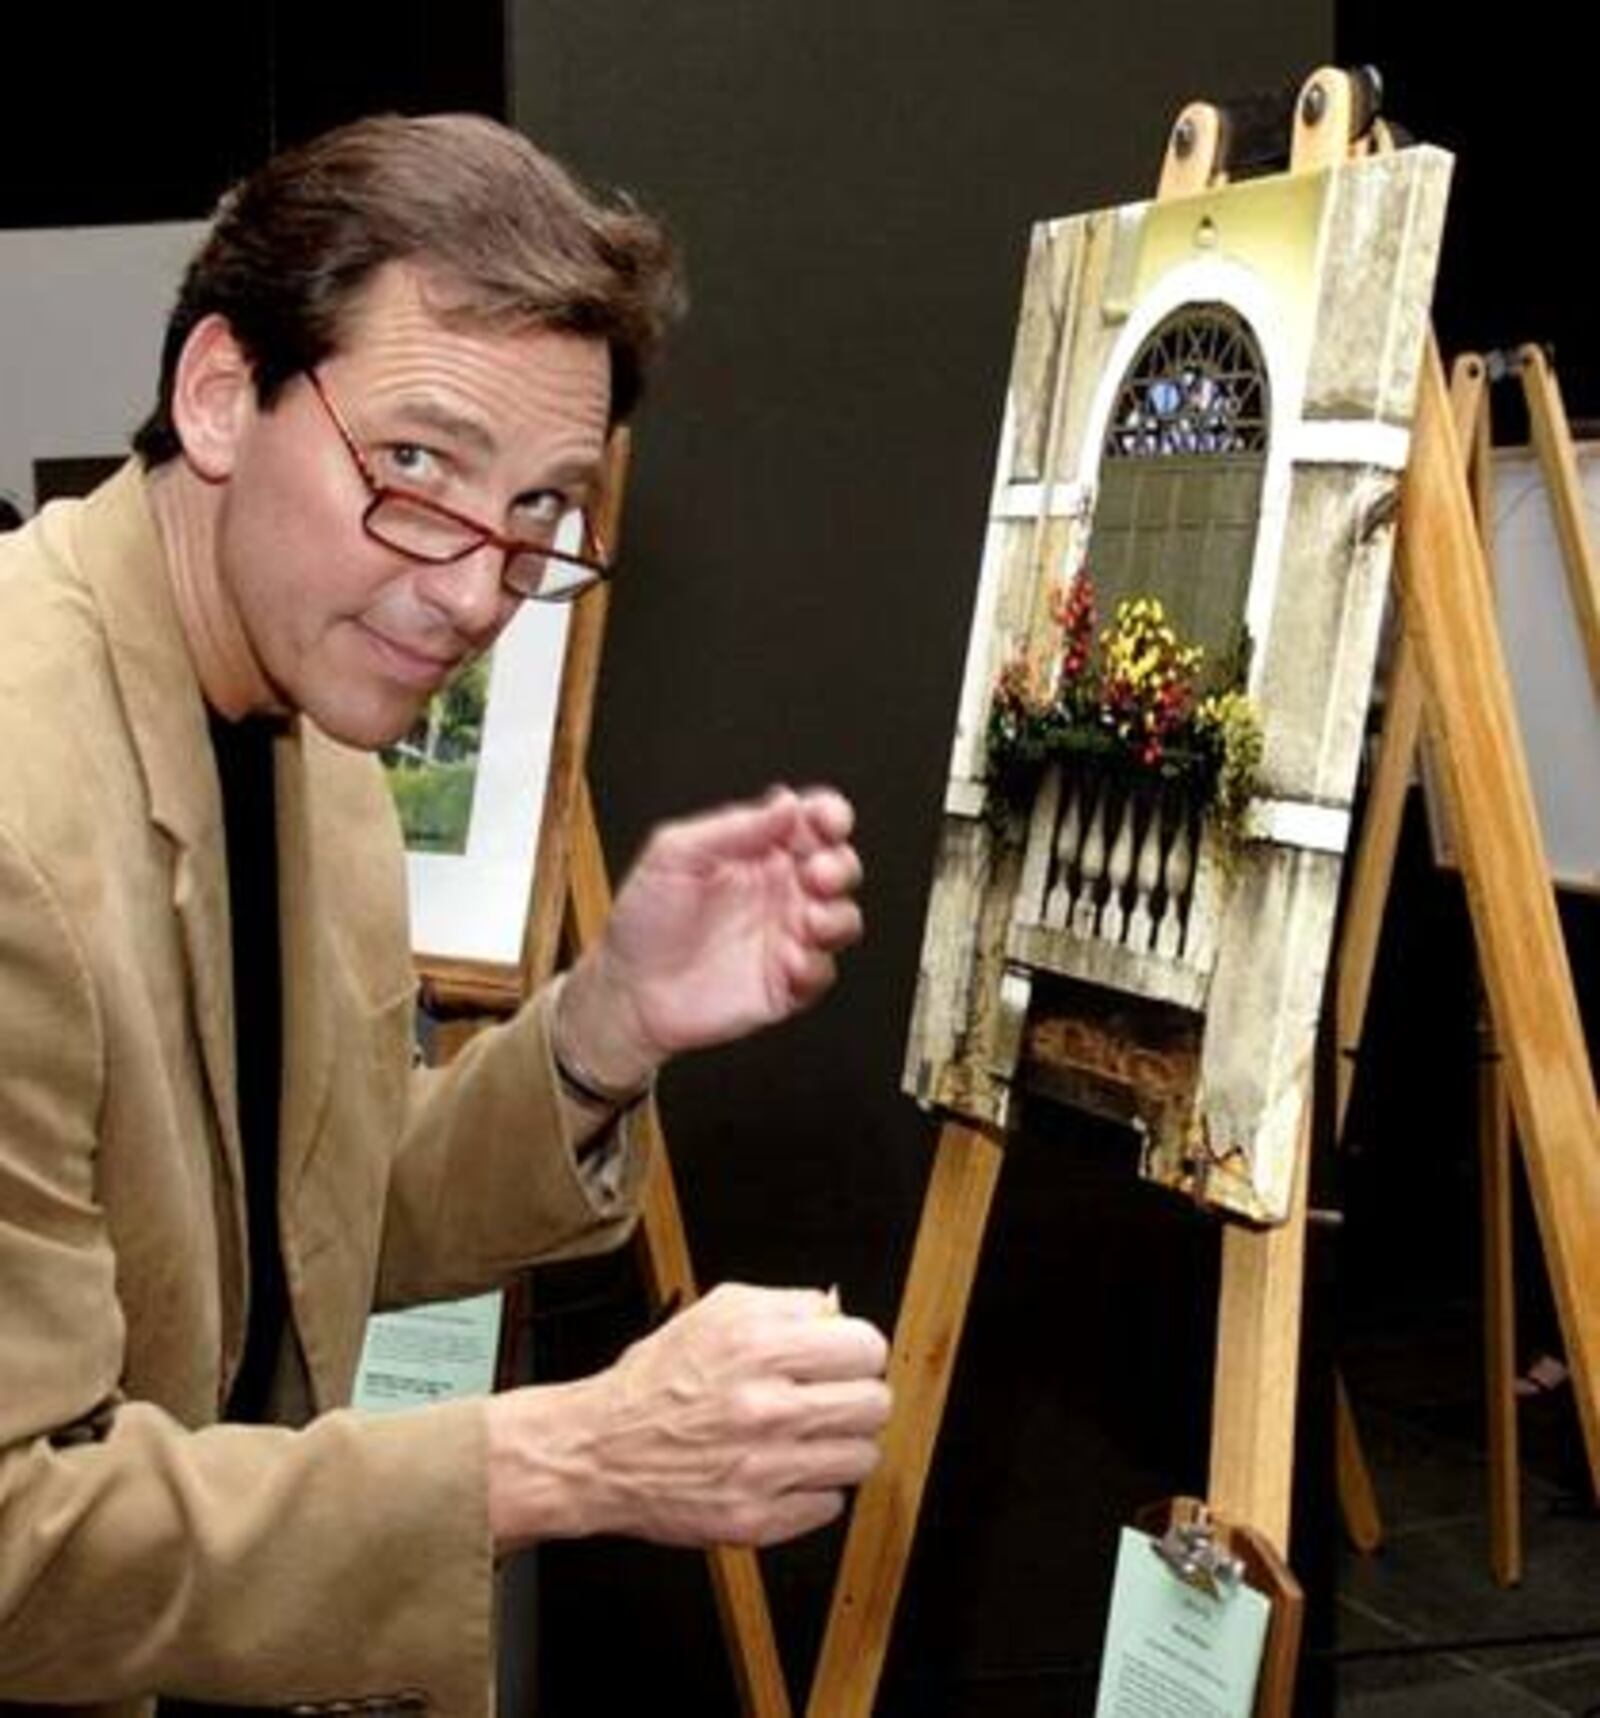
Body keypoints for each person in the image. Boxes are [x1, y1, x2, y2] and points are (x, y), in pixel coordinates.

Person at [0, 113, 890, 1714]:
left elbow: (305, 1213)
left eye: (542, 507)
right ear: (221, 394)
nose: (481, 591)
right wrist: (572, 1454)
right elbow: (16, 1545)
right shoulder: (16, 809)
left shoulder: (315, 719)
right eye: (415, 466)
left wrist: (601, 1029)